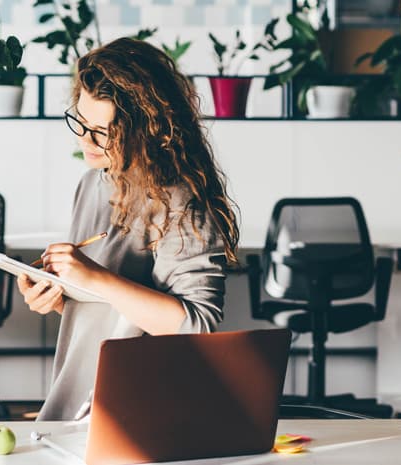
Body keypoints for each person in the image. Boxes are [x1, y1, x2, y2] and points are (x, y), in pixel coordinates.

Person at [17, 38, 240, 421]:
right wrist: (60, 298)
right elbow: (115, 311)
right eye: (81, 122)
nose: (85, 140)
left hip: (144, 414)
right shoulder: (93, 183)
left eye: (103, 131)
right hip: (78, 405)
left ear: (148, 129)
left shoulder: (181, 200)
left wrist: (94, 277)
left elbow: (197, 328)